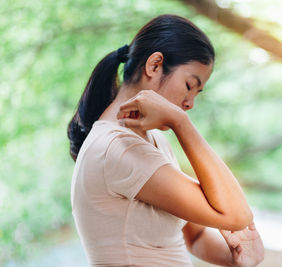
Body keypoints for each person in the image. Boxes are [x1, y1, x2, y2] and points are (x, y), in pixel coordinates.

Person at [67, 14, 264, 267]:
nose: (190, 104)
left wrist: (237, 257)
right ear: (155, 65)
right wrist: (180, 122)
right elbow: (237, 216)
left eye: (197, 93)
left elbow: (195, 235)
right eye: (189, 85)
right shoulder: (117, 148)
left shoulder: (153, 139)